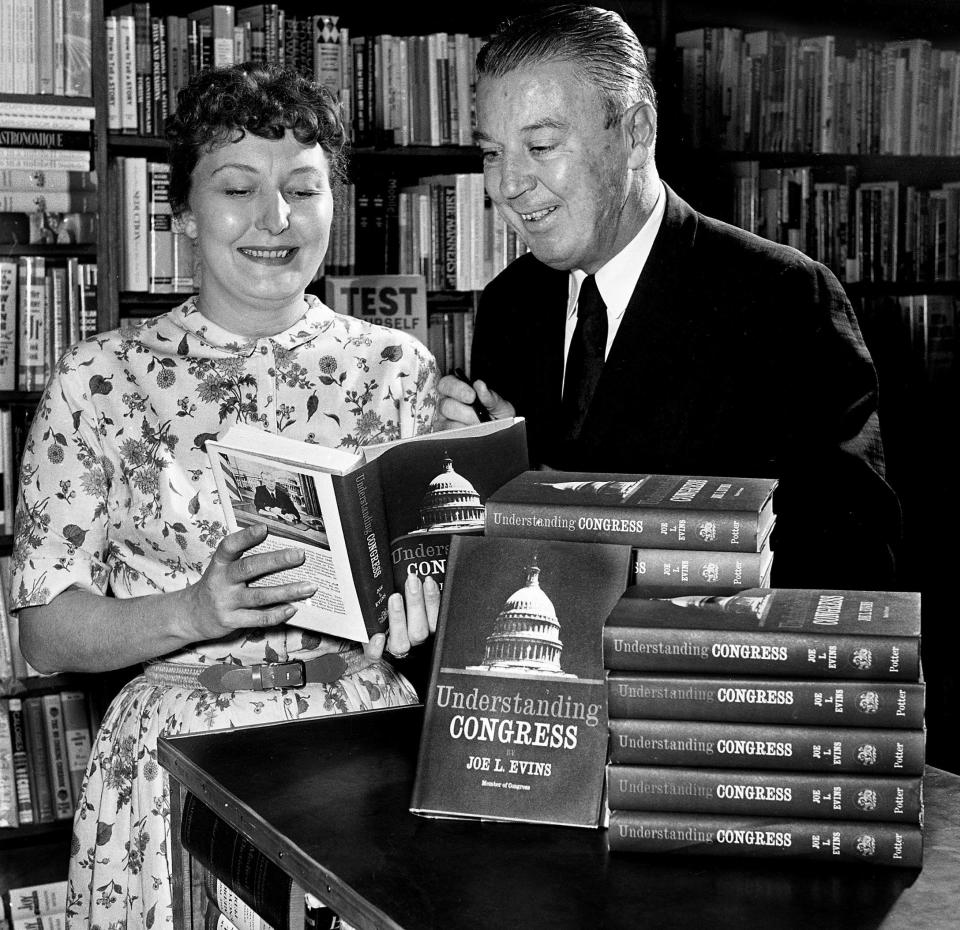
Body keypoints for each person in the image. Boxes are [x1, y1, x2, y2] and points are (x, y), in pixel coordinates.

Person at [10, 63, 439, 929]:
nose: (274, 220)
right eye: (238, 188)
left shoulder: (398, 371)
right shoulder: (100, 380)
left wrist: (432, 604)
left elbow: (437, 582)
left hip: (367, 749)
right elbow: (42, 631)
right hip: (173, 762)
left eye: (303, 190)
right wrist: (197, 610)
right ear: (182, 212)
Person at [438, 4, 901, 591]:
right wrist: (491, 471)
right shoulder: (510, 302)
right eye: (492, 152)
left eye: (542, 146)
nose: (507, 185)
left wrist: (572, 506)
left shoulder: (782, 298)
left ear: (637, 134)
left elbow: (853, 558)